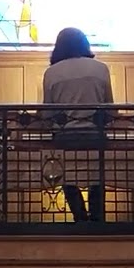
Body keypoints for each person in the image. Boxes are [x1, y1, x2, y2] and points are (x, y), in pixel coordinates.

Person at [42, 27, 113, 222]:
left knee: (66, 174)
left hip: (66, 137)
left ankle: (79, 217)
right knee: (98, 174)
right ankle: (97, 218)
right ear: (85, 44)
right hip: (94, 136)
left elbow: (47, 113)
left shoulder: (51, 73)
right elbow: (110, 111)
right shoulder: (101, 69)